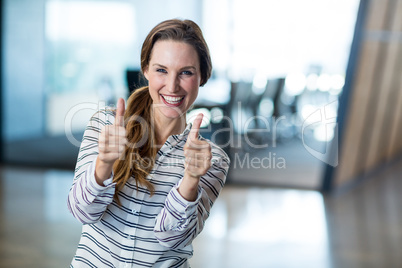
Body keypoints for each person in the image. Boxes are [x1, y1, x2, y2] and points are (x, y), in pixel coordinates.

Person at [68, 19, 230, 268]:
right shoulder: (106, 125)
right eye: (161, 70)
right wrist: (104, 164)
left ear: (203, 77)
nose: (172, 85)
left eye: (186, 72)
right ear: (145, 69)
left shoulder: (212, 159)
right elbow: (83, 212)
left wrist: (190, 179)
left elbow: (172, 238)